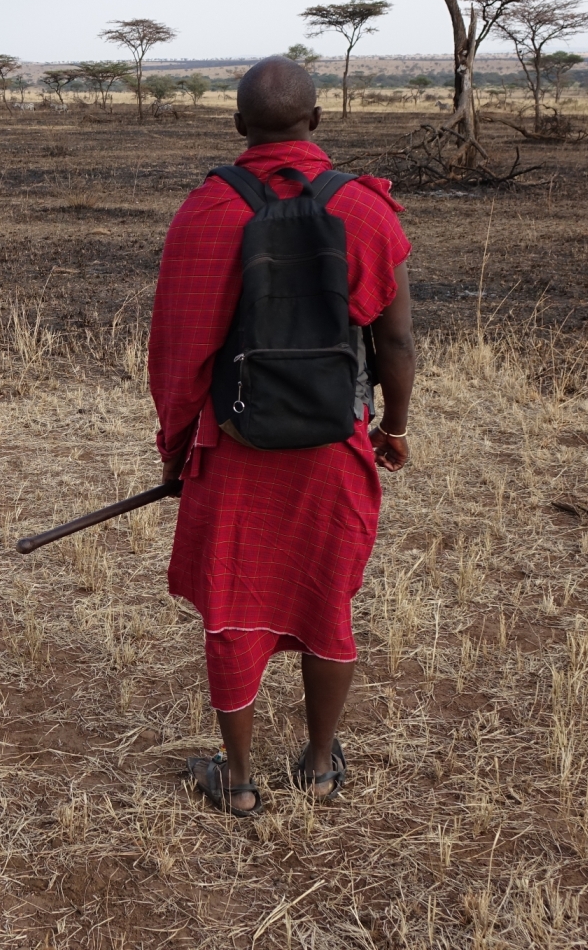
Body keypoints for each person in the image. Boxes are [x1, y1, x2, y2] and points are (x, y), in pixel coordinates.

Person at [148, 55, 415, 814]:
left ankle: (235, 781)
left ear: (238, 129)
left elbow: (177, 354)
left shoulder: (204, 213)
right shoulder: (366, 211)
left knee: (234, 609)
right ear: (317, 121)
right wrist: (390, 428)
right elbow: (394, 347)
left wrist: (176, 452)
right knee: (325, 599)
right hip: (336, 445)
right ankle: (322, 764)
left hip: (233, 449)